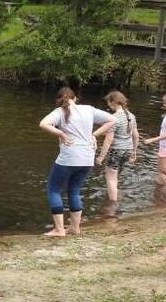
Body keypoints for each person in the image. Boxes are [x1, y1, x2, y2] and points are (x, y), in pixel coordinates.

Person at [39, 87, 116, 237]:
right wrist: (94, 134)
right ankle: (75, 228)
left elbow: (43, 124)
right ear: (75, 99)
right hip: (87, 158)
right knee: (74, 190)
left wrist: (61, 133)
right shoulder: (88, 109)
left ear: (59, 100)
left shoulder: (59, 112)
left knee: (53, 189)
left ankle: (59, 230)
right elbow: (112, 119)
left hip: (69, 157)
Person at [96, 91, 139, 204]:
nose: (108, 105)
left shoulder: (112, 118)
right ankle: (113, 196)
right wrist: (134, 152)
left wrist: (101, 157)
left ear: (113, 102)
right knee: (115, 176)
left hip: (116, 151)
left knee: (110, 178)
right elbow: (136, 136)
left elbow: (108, 140)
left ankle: (112, 205)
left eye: (108, 102)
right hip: (127, 150)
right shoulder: (131, 116)